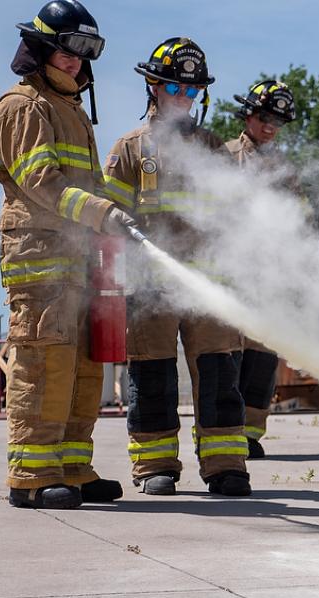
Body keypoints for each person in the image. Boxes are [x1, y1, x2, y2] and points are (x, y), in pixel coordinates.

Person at [0, 0, 129, 509]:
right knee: (45, 363)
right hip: (41, 258)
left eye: (86, 54)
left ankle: (72, 466)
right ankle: (31, 474)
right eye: (69, 52)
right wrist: (101, 213)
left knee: (86, 365)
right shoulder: (22, 107)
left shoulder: (70, 109)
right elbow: (41, 183)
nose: (77, 63)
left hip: (81, 257)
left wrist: (116, 215)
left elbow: (88, 184)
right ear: (42, 48)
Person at [103, 37, 251, 497]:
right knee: (151, 377)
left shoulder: (213, 150)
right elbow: (107, 222)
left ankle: (226, 465)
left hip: (207, 287)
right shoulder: (130, 150)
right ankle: (154, 466)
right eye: (175, 89)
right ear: (154, 87)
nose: (184, 100)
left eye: (192, 92)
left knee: (220, 377)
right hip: (149, 290)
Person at [225, 80, 299, 458]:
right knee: (229, 357)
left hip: (271, 275)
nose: (271, 127)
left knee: (262, 360)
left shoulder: (284, 168)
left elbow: (297, 218)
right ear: (249, 115)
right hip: (233, 273)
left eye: (279, 121)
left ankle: (251, 433)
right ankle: (225, 431)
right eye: (266, 117)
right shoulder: (225, 156)